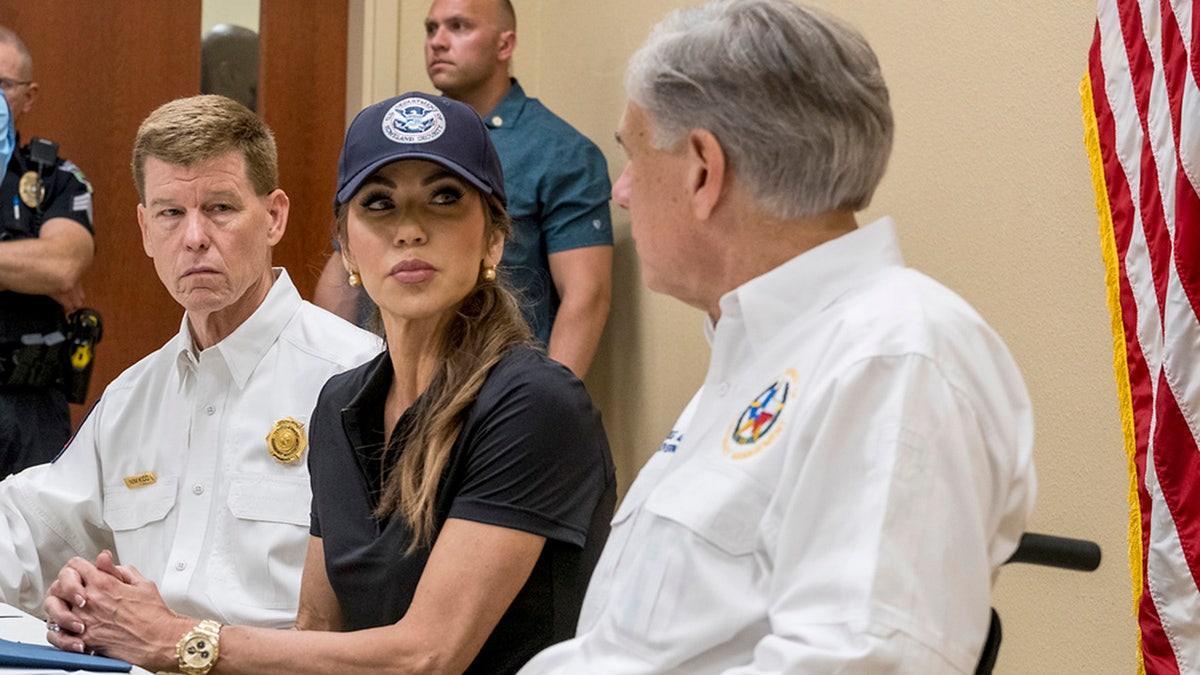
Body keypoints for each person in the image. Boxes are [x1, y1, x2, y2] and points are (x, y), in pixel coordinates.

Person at [520, 1, 1037, 672]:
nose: (621, 192)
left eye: (632, 155)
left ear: (703, 169)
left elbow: (860, 662)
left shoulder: (894, 355)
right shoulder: (761, 351)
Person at [44, 92, 617, 675]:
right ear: (346, 248)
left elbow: (426, 657)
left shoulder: (533, 403)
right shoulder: (342, 405)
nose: (410, 230)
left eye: (445, 199)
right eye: (380, 204)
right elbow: (315, 630)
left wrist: (173, 640)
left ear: (494, 238)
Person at [0, 94, 382, 629]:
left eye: (221, 208)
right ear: (145, 229)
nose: (195, 238)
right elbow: (26, 532)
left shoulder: (361, 375)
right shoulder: (134, 398)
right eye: (171, 214)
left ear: (274, 217)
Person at [317, 0, 613, 380]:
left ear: (505, 45)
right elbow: (342, 271)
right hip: (383, 379)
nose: (437, 41)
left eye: (458, 27)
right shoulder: (393, 141)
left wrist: (550, 398)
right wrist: (325, 380)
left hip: (492, 382)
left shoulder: (559, 151)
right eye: (431, 28)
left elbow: (586, 296)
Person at [0, 26, 95, 477]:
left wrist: (45, 265)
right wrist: (21, 261)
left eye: (2, 85)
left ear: (28, 96)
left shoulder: (56, 177)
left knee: (36, 544)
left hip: (30, 409)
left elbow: (61, 266)